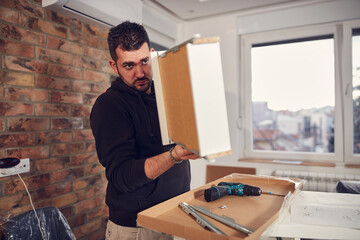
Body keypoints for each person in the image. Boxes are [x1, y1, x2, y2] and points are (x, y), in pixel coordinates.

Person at [90, 21, 200, 240]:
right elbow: (121, 176)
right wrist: (174, 156)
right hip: (137, 228)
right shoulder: (109, 105)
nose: (140, 73)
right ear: (114, 66)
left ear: (152, 54)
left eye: (144, 62)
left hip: (175, 215)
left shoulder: (165, 93)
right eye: (129, 66)